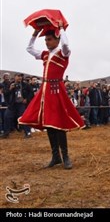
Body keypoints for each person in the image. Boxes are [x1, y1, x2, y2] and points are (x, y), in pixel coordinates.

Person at [19, 22, 84, 169]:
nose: (47, 42)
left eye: (49, 39)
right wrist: (35, 33)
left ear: (57, 40)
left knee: (58, 123)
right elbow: (29, 48)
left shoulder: (63, 53)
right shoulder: (45, 55)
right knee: (49, 123)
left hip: (56, 89)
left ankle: (65, 156)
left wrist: (61, 29)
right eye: (46, 40)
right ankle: (56, 156)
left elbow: (66, 45)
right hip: (46, 90)